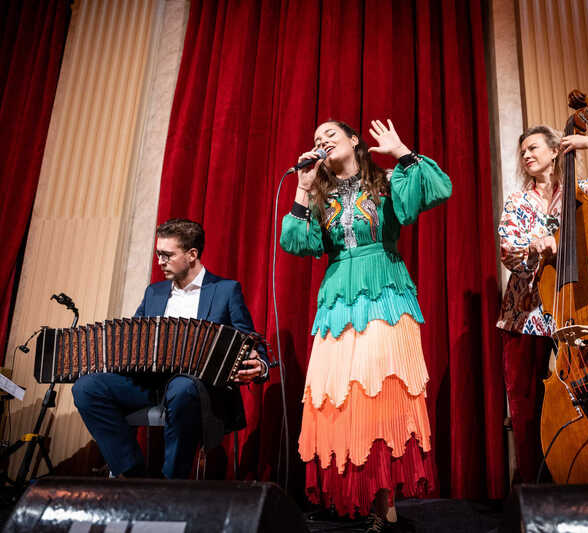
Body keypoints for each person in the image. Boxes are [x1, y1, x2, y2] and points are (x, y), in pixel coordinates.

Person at [280, 119, 450, 531]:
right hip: (337, 299)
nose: (321, 142)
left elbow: (437, 190)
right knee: (339, 397)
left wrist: (402, 151)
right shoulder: (320, 196)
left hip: (384, 291)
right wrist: (303, 188)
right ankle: (351, 495)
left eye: (330, 136)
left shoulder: (387, 181)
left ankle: (383, 500)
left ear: (354, 141)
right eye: (316, 139)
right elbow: (296, 243)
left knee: (379, 396)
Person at [72, 218, 267, 479]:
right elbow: (134, 339)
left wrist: (260, 365)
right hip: (151, 384)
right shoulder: (154, 292)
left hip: (199, 388)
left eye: (167, 255)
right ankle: (132, 475)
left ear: (192, 255)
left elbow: (250, 341)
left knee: (182, 389)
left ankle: (171, 483)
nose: (160, 261)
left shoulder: (225, 290)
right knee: (86, 387)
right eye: (157, 254)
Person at [496, 125, 588, 482]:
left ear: (555, 151)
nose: (526, 155)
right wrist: (538, 245)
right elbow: (508, 253)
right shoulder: (517, 201)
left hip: (577, 304)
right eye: (522, 151)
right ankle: (533, 482)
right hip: (527, 312)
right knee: (528, 403)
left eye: (534, 148)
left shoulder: (580, 191)